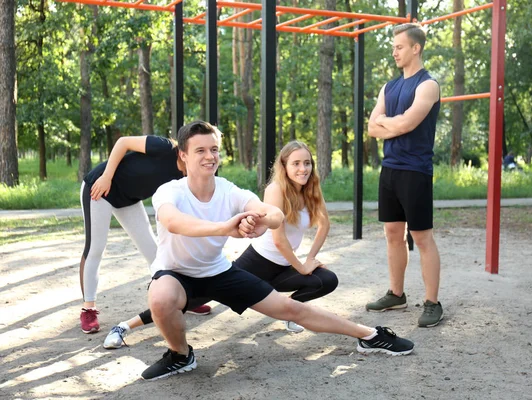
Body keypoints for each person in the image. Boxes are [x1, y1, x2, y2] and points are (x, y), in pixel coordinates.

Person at [139, 120, 414, 381]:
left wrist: (259, 222)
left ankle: (370, 335)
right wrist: (226, 227)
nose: (209, 156)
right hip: (175, 275)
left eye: (213, 150)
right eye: (200, 150)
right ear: (184, 155)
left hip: (218, 272)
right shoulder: (169, 191)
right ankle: (180, 354)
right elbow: (174, 222)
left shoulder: (229, 190)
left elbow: (274, 215)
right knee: (161, 297)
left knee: (289, 308)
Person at [103, 140, 338, 348]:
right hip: (259, 263)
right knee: (191, 300)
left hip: (285, 267)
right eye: (296, 163)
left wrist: (310, 259)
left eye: (307, 163)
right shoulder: (276, 189)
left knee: (326, 280)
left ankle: (292, 314)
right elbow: (278, 239)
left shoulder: (311, 190)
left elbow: (325, 224)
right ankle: (125, 326)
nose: (303, 169)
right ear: (284, 166)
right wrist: (301, 266)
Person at [79, 135, 211, 334]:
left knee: (154, 251)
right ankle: (88, 308)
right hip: (99, 188)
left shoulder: (186, 179)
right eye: (199, 152)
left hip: (129, 199)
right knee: (96, 248)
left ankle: (182, 299)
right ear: (185, 153)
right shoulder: (164, 147)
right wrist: (106, 176)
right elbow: (123, 142)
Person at [365, 23, 443, 328]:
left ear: (415, 48)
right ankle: (396, 294)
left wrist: (389, 122)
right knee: (392, 235)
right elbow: (372, 128)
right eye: (393, 47)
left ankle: (432, 303)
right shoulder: (389, 86)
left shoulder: (428, 85)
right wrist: (389, 123)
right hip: (391, 169)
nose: (394, 52)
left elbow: (408, 124)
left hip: (416, 171)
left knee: (422, 238)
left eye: (399, 47)